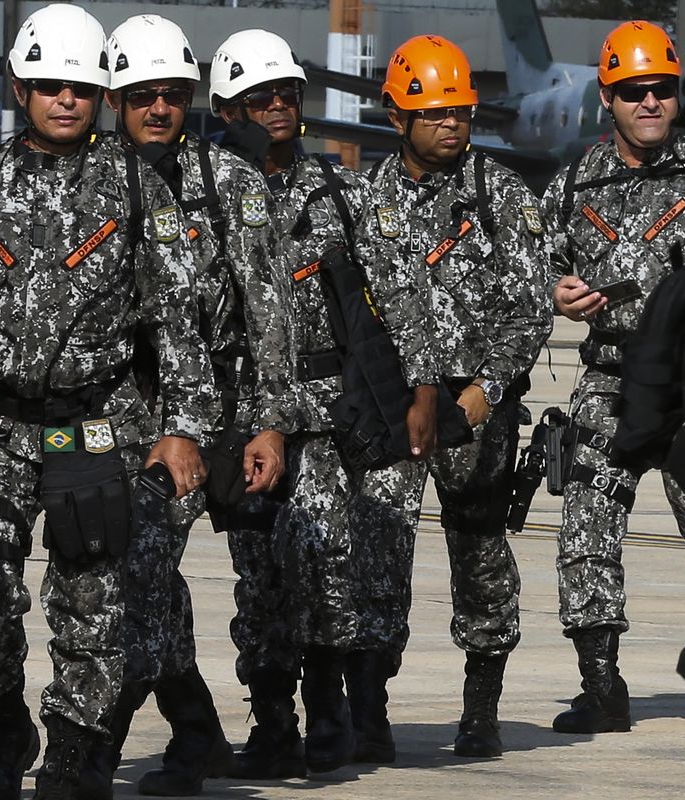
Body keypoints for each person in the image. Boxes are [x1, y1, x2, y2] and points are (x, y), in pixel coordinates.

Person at [0, 5, 213, 796]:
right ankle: (6, 727)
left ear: (101, 94)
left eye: (80, 87)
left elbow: (178, 317)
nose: (65, 99)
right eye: (49, 86)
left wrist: (183, 428)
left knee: (93, 604)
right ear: (20, 88)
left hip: (95, 424)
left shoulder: (137, 188)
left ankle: (71, 753)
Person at [210, 28, 438, 775]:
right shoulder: (206, 192)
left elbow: (402, 292)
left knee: (323, 565)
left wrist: (423, 387)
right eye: (259, 98)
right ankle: (272, 724)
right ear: (226, 108)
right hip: (240, 413)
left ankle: (330, 717)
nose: (277, 107)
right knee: (258, 576)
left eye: (286, 94)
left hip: (325, 416)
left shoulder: (341, 192)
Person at [95, 15, 300, 794]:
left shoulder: (229, 183)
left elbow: (270, 311)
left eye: (173, 94)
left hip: (205, 415)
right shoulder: (87, 182)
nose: (158, 108)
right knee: (131, 573)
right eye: (141, 95)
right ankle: (198, 730)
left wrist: (271, 424)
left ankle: (112, 747)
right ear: (114, 99)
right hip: (110, 416)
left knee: (144, 571)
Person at [542, 20, 685, 735]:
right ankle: (601, 687)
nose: (650, 102)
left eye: (662, 88)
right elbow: (535, 264)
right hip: (610, 382)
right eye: (633, 92)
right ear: (608, 98)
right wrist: (556, 291)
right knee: (586, 532)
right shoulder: (576, 182)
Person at [361, 35, 551, 759]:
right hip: (390, 410)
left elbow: (530, 309)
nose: (452, 124)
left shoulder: (500, 193)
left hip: (473, 409)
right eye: (435, 112)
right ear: (396, 117)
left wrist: (484, 392)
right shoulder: (367, 199)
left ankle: (481, 708)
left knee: (480, 554)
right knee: (380, 553)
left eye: (462, 112)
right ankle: (369, 710)